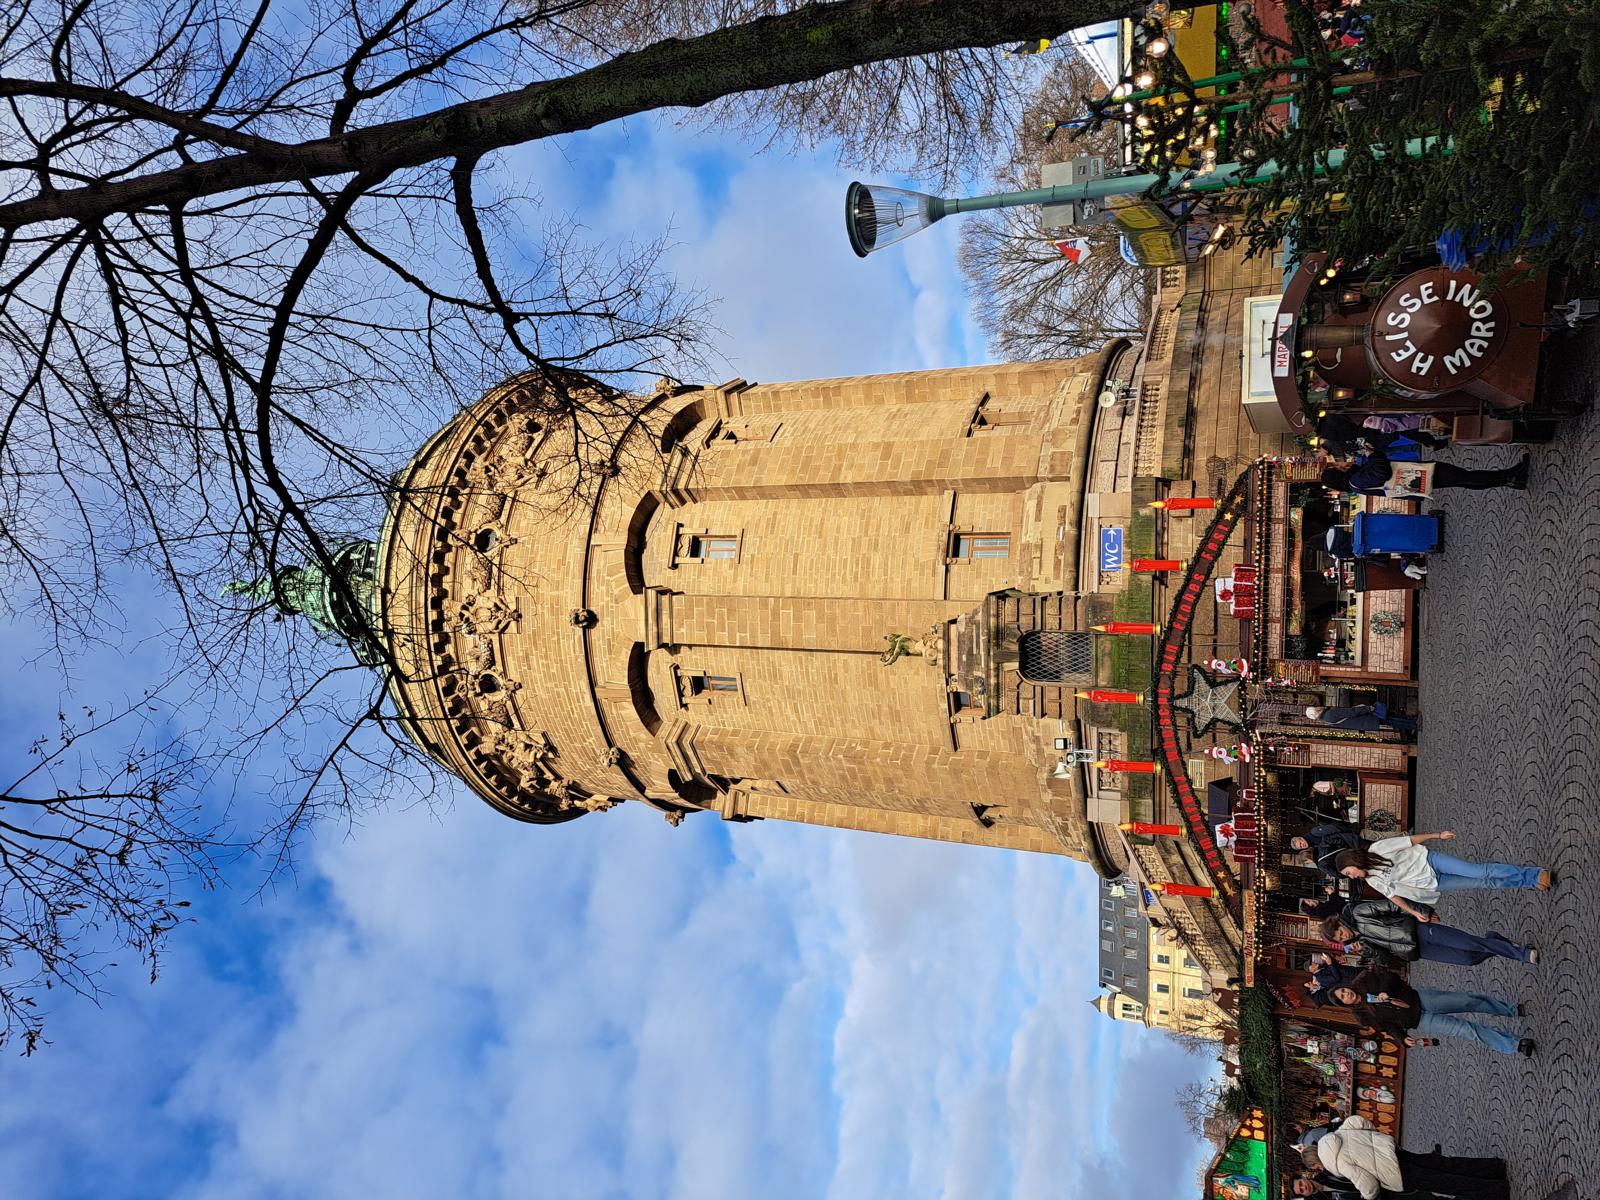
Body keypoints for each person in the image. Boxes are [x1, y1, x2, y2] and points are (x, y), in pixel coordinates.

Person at [1333, 835, 1551, 923]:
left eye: (1348, 872)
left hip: (1430, 861)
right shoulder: (1371, 881)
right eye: (1348, 877)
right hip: (1434, 883)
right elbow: (1394, 896)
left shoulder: (1377, 849)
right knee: (1485, 882)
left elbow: (1408, 840)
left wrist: (1437, 835)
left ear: (1352, 861)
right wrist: (1414, 912)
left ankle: (1534, 873)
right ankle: (1530, 882)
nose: (1351, 877)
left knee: (1479, 872)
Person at [1327, 966, 1533, 1056]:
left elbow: (1392, 977)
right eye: (1343, 997)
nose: (1347, 994)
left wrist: (1384, 991)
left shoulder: (1364, 980)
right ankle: (1514, 1045)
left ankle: (1510, 1010)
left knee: (1468, 1001)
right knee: (1465, 1030)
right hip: (1419, 1021)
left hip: (1420, 998)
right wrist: (1401, 1038)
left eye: (1344, 990)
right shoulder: (1362, 1016)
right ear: (1344, 1004)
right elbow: (1386, 1027)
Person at [1303, 1117, 1510, 1200]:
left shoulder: (1336, 1164)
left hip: (1396, 1174)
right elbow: (1358, 1121)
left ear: (1316, 1163)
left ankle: (1497, 1190)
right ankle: (1494, 1167)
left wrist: (1368, 1197)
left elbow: (1368, 1185)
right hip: (1395, 1153)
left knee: (1446, 1183)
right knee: (1444, 1165)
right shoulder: (1337, 1135)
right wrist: (1375, 1139)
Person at [1322, 902, 1538, 967]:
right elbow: (1388, 960)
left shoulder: (1359, 913)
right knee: (1468, 958)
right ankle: (1495, 940)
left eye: (1340, 932)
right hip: (1419, 950)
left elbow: (1392, 905)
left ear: (1339, 923)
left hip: (1419, 930)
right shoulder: (1362, 942)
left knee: (1472, 944)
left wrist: (1423, 911)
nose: (1345, 936)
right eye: (1341, 939)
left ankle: (1521, 953)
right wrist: (1370, 952)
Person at [1320, 450, 1528, 496]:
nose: (1341, 464)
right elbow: (1382, 472)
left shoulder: (1355, 480)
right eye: (1337, 467)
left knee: (1464, 478)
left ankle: (1509, 478)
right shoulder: (1357, 480)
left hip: (1415, 478)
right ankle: (1510, 477)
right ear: (1339, 475)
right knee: (1465, 476)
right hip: (1417, 476)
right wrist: (1373, 454)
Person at [1292, 822, 1363, 872]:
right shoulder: (1313, 847)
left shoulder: (1314, 832)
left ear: (1301, 838)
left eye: (1301, 843)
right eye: (1301, 847)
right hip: (1351, 847)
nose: (1302, 845)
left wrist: (1353, 831)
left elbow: (1334, 828)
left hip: (1353, 837)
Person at [1304, 704, 1417, 734]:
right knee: (1391, 719)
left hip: (1364, 723)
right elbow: (1350, 712)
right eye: (1316, 707)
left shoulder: (1326, 721)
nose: (1319, 706)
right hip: (1366, 718)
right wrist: (1367, 708)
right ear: (1317, 711)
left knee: (1391, 722)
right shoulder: (1330, 714)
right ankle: (1412, 724)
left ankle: (1411, 724)